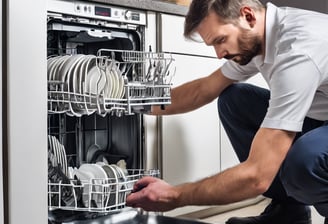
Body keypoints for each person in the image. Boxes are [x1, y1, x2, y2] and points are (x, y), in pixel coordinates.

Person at [126, 0, 328, 223]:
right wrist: (132, 102)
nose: (219, 54)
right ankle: (289, 213)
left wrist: (174, 195)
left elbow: (257, 175)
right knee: (234, 100)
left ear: (247, 16)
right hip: (321, 118)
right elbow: (204, 89)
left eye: (220, 40)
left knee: (306, 162)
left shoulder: (296, 50)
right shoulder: (260, 38)